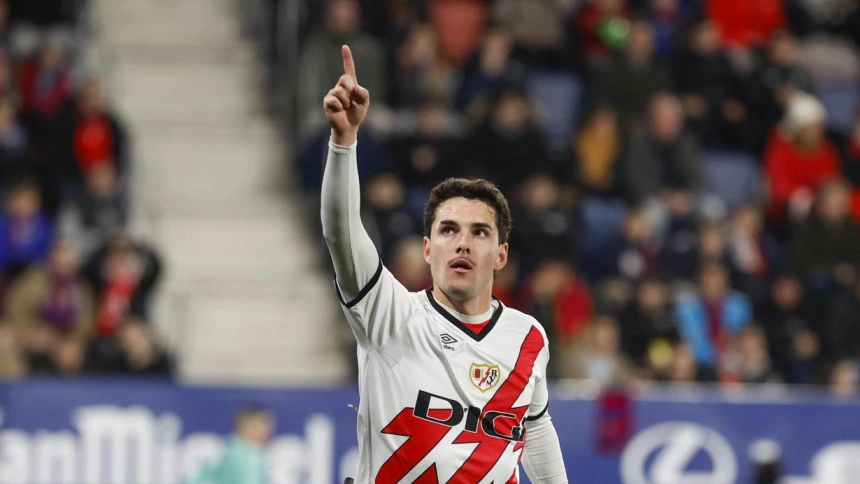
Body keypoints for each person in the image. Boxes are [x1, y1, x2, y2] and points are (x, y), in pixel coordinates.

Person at [321, 46, 567, 483]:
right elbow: (342, 232)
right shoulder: (390, 316)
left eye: (480, 232)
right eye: (448, 230)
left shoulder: (529, 337)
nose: (463, 244)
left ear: (501, 255)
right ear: (427, 249)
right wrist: (344, 144)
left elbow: (536, 427)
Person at [185, 405, 275, 484]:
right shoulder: (245, 455)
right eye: (264, 423)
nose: (268, 429)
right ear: (248, 425)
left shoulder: (231, 448)